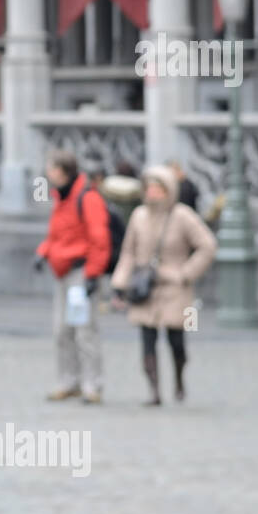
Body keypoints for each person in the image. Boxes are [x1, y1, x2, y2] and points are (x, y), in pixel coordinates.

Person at [110, 166, 218, 405]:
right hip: (144, 286)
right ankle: (154, 390)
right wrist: (119, 282)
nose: (153, 193)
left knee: (176, 339)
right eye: (149, 188)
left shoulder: (183, 215)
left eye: (158, 189)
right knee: (147, 338)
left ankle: (179, 378)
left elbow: (207, 245)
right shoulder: (139, 215)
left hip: (174, 287)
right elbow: (128, 251)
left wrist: (186, 273)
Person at [36, 150, 111, 404]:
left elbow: (99, 239)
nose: (47, 173)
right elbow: (57, 234)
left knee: (84, 331)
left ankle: (93, 385)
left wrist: (93, 274)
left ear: (63, 171)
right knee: (62, 330)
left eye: (51, 168)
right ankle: (69, 381)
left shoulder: (87, 198)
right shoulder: (61, 197)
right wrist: (43, 252)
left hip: (81, 273)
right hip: (62, 272)